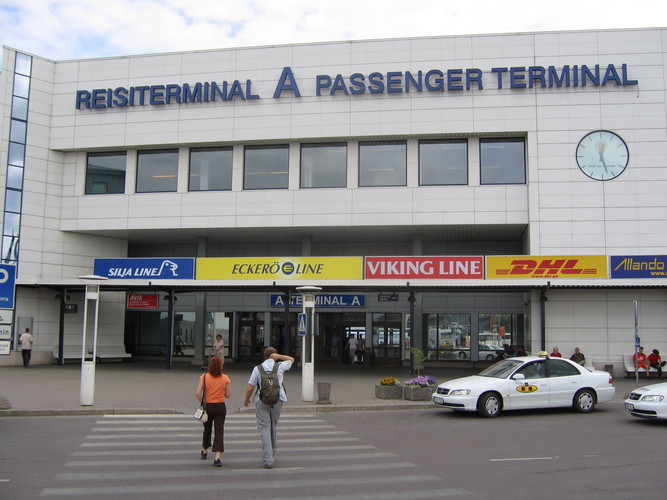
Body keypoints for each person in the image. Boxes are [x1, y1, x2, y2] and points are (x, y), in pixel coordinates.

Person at [244, 347, 294, 469]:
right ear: (274, 356)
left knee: (264, 427)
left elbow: (250, 388)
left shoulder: (258, 368)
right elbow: (291, 360)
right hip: (278, 399)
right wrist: (279, 356)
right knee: (273, 426)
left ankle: (268, 459)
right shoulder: (280, 366)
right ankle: (273, 451)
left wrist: (247, 399)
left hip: (262, 400)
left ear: (264, 356)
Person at [196, 356, 231, 467]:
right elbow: (228, 395)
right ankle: (217, 457)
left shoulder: (204, 377)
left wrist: (203, 403)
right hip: (220, 407)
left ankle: (205, 450)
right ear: (221, 366)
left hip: (208, 406)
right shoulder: (225, 378)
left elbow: (198, 393)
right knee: (219, 431)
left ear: (210, 365)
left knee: (207, 429)